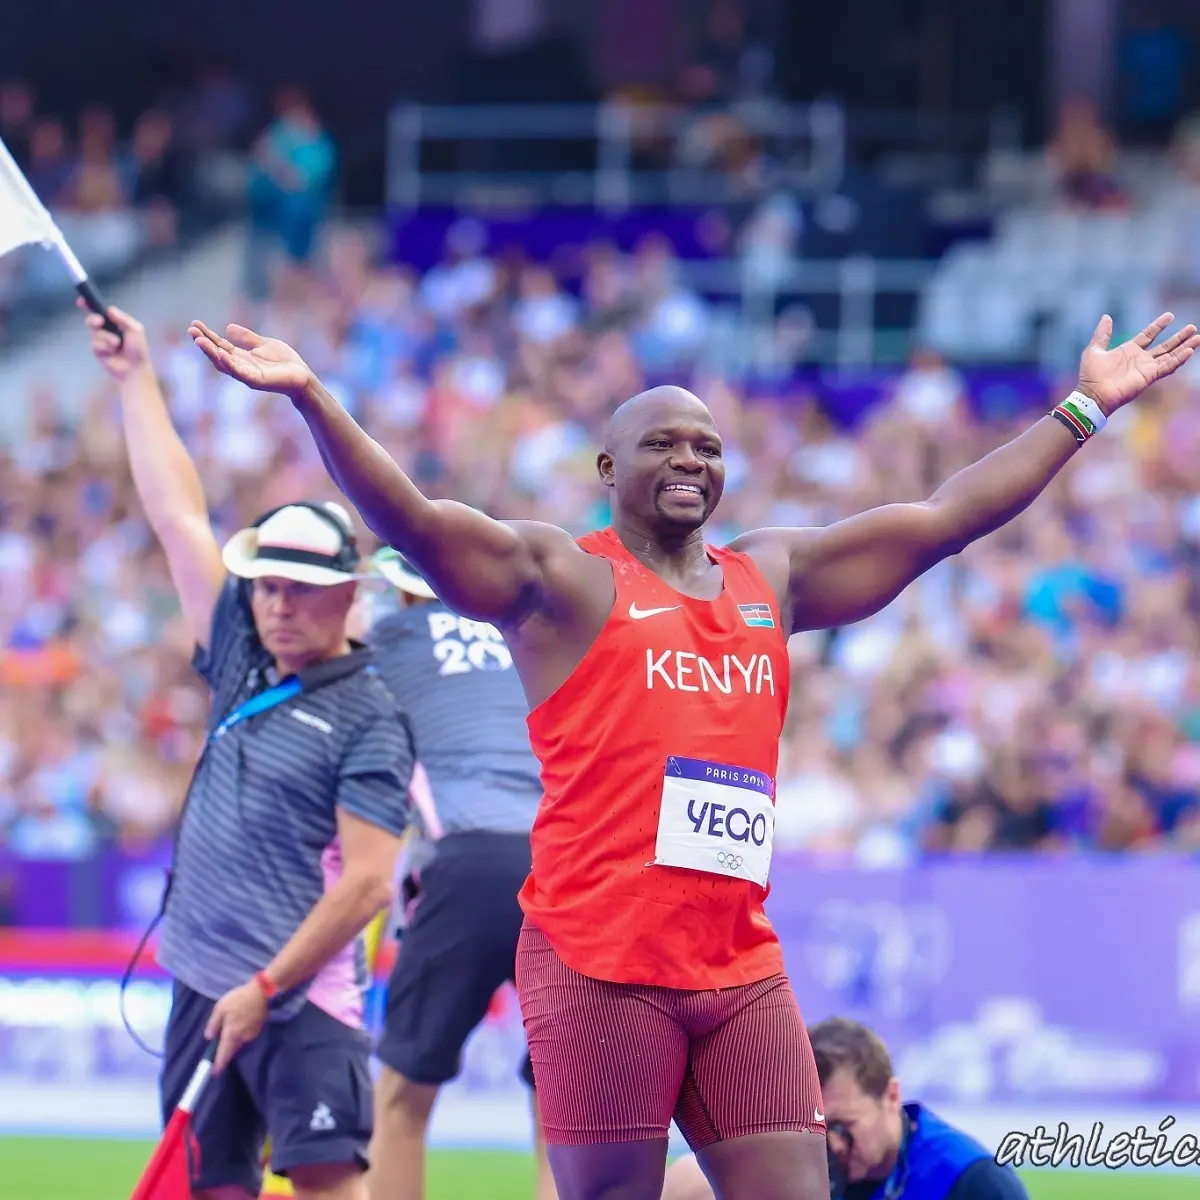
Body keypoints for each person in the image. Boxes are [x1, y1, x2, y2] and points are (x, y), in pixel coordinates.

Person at [187, 308, 1198, 1200]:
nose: (691, 461)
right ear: (609, 470)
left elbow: (941, 523)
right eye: (662, 444)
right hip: (599, 963)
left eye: (708, 447)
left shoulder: (775, 575)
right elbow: (414, 521)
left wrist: (1082, 410)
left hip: (736, 961)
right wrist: (314, 398)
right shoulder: (561, 581)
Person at [87, 304, 414, 1200]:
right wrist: (135, 378)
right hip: (202, 984)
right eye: (267, 584)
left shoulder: (372, 716)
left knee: (327, 1188)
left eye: (302, 590)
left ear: (350, 594)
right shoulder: (240, 650)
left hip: (302, 1001)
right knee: (212, 1189)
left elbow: (368, 886)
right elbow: (176, 515)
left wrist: (265, 985)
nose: (277, 605)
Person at [365, 547, 557, 1200]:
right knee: (561, 1101)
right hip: (562, 861)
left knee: (399, 1099)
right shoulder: (534, 631)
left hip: (467, 857)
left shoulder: (389, 635)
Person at [662, 1017, 1029, 1199]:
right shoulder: (805, 1163)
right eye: (818, 1128)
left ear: (891, 1097)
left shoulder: (971, 1180)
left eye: (842, 1125)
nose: (833, 1146)